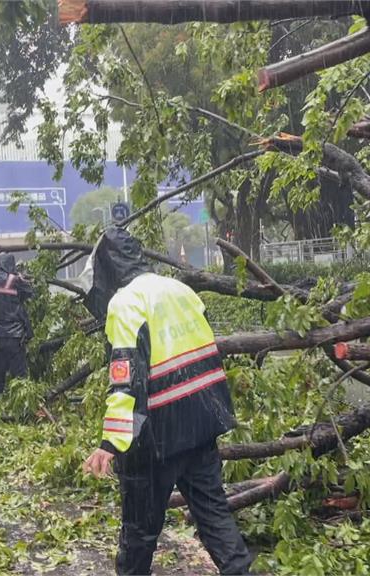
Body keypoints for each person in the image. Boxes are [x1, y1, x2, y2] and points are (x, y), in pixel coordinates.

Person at [80, 227, 254, 576]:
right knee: (215, 516)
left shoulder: (126, 302)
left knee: (140, 534)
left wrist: (110, 443)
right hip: (202, 421)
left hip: (156, 435)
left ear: (108, 267)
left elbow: (125, 377)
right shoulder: (181, 290)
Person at [0, 253, 33, 401]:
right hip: (13, 336)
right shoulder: (13, 280)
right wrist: (22, 278)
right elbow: (29, 293)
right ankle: (22, 409)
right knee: (20, 375)